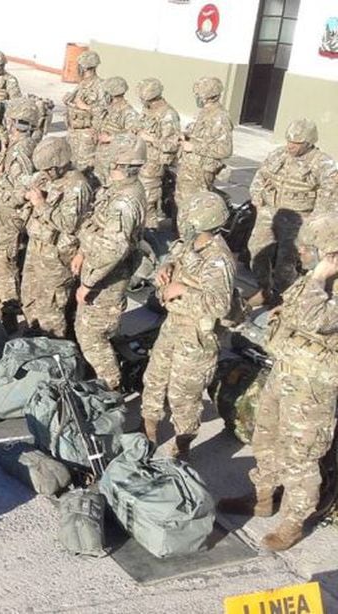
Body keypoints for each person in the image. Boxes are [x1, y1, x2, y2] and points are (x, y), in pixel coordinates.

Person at [218, 214, 338, 551]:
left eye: (310, 247)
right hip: (285, 373)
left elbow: (315, 318)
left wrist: (320, 276)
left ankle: (292, 523)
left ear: (332, 256)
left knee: (301, 457)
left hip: (312, 388)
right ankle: (262, 497)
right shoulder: (309, 281)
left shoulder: (323, 284)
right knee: (266, 438)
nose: (300, 250)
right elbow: (285, 316)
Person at [141, 192, 236, 459]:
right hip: (174, 324)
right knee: (155, 378)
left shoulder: (218, 259)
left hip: (197, 335)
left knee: (184, 396)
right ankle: (148, 427)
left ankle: (182, 446)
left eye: (192, 221)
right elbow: (176, 258)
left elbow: (220, 305)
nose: (185, 223)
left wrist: (182, 289)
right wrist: (167, 267)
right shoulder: (189, 243)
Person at [72, 133, 147, 391]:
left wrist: (89, 282)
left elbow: (114, 249)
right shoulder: (116, 190)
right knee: (93, 329)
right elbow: (96, 226)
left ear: (119, 164)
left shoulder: (125, 201)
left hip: (107, 278)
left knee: (92, 335)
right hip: (98, 268)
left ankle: (111, 387)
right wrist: (82, 252)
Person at [248, 119, 338, 306]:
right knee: (257, 251)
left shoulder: (324, 164)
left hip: (298, 218)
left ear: (309, 143)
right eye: (289, 141)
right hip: (270, 211)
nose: (290, 146)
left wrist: (312, 224)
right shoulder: (278, 155)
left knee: (287, 261)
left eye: (296, 143)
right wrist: (258, 200)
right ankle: (264, 288)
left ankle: (282, 297)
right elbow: (261, 175)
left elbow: (329, 197)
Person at [21, 137, 93, 337]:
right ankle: (34, 339)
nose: (45, 174)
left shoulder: (77, 186)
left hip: (57, 256)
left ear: (59, 166)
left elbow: (68, 224)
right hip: (38, 247)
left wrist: (40, 204)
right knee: (30, 297)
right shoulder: (49, 178)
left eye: (48, 170)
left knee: (51, 309)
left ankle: (56, 351)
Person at [0, 99, 38, 324]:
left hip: (10, 216)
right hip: (4, 215)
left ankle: (8, 311)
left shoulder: (20, 153)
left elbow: (18, 194)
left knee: (4, 263)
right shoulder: (17, 146)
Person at [174, 76, 233, 233]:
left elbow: (224, 149)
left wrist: (194, 146)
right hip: (189, 168)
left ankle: (191, 241)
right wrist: (185, 135)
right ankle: (183, 236)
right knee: (182, 205)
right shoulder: (204, 113)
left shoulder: (220, 117)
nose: (197, 98)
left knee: (195, 210)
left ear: (209, 95)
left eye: (199, 95)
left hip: (200, 172)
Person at [134, 77, 181, 229]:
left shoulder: (168, 115)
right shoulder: (148, 110)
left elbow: (172, 144)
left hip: (154, 164)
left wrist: (149, 138)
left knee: (148, 201)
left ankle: (151, 231)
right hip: (140, 159)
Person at [63, 50, 105, 173]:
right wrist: (69, 101)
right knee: (69, 166)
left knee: (84, 169)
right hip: (73, 131)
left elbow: (104, 111)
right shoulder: (82, 84)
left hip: (86, 135)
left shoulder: (100, 86)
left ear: (85, 67)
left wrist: (85, 107)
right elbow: (76, 103)